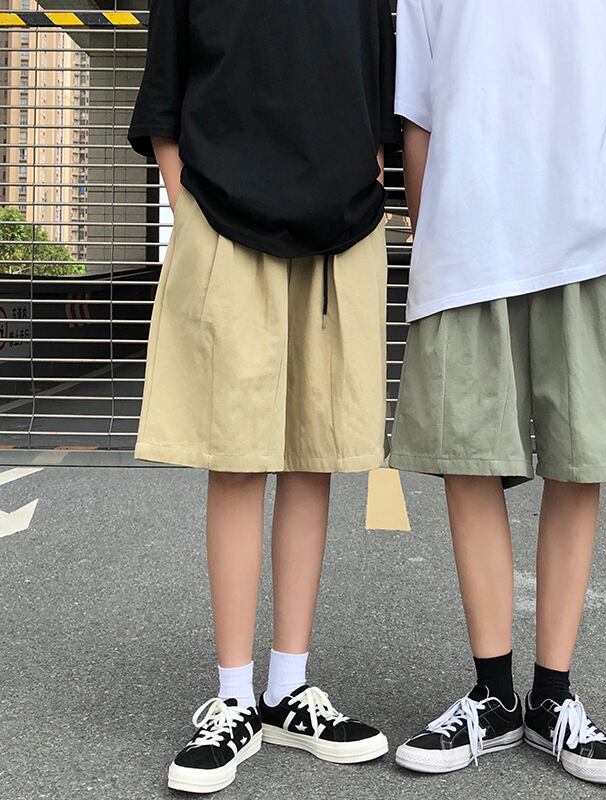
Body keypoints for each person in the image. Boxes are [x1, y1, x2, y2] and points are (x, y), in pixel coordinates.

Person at [389, 0, 606, 784]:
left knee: (578, 457)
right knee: (466, 458)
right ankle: (495, 697)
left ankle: (552, 696)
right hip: (465, 236)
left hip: (590, 233)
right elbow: (418, 109)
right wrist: (427, 233)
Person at [128, 1, 400, 793]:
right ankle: (233, 697)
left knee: (314, 454)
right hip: (224, 219)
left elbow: (379, 85)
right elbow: (163, 98)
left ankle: (286, 689)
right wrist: (189, 211)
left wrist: (370, 172)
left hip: (342, 229)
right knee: (238, 458)